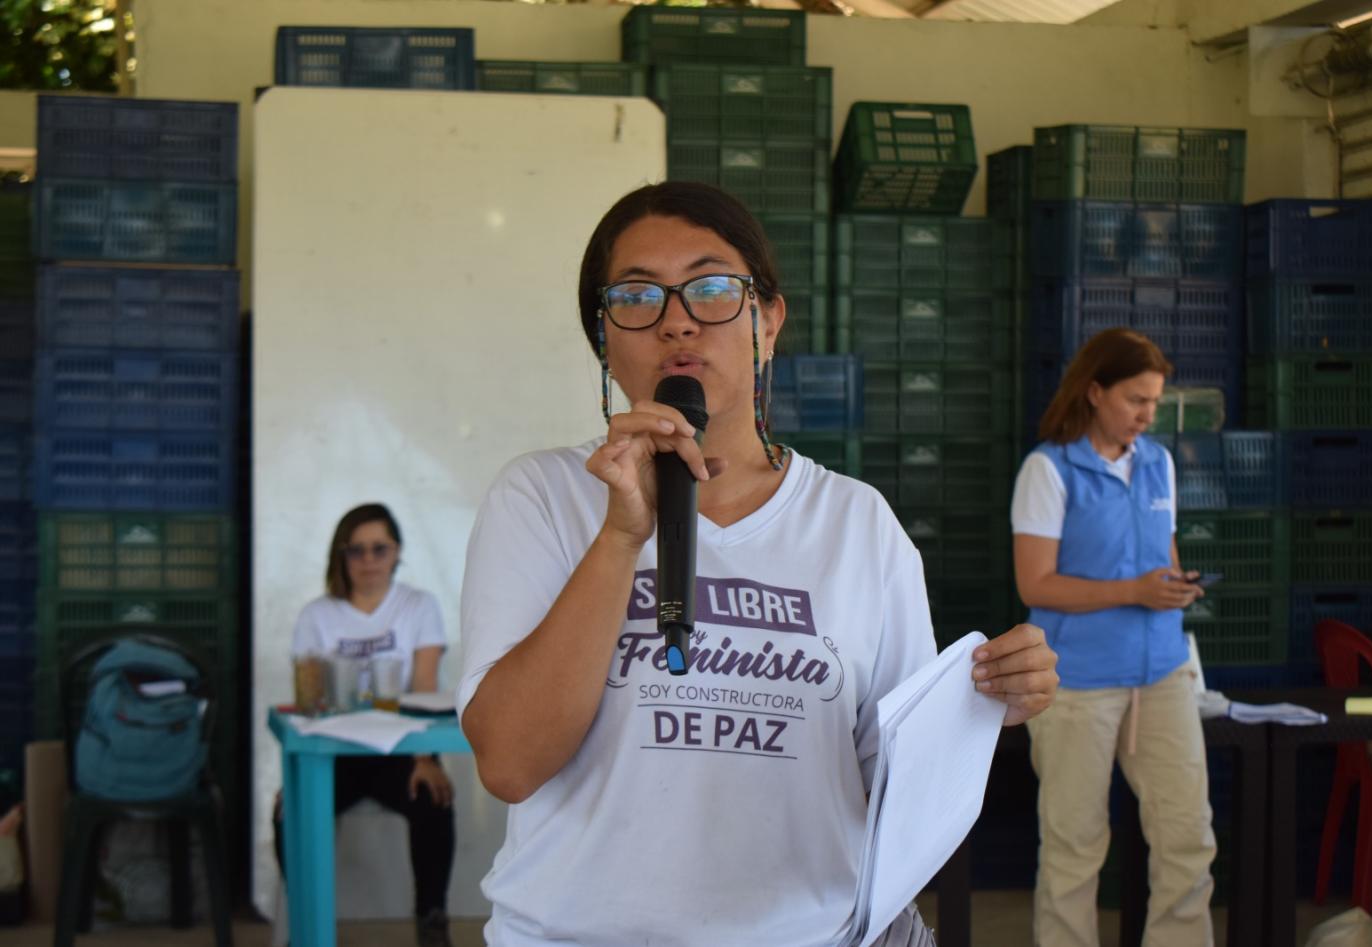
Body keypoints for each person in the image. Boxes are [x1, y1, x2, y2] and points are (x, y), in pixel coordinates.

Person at [456, 180, 1060, 947]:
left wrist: (980, 708)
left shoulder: (857, 524)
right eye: (637, 296)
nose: (677, 319)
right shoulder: (542, 497)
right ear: (604, 338)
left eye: (712, 288)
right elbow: (510, 762)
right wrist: (620, 537)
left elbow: (892, 781)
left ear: (767, 322)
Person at [1011, 329, 1216, 946]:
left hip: (1164, 674)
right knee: (1074, 846)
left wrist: (1175, 586)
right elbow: (1035, 583)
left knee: (1188, 837)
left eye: (1154, 401)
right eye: (1136, 399)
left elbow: (1163, 555)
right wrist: (1134, 591)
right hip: (1077, 685)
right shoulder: (1047, 469)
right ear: (1095, 391)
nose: (1147, 415)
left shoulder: (1159, 463)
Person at [274, 503, 456, 947]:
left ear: (397, 552)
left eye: (380, 548)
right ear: (341, 555)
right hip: (334, 754)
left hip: (399, 750)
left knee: (434, 801)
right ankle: (306, 923)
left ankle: (432, 924)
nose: (369, 559)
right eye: (357, 550)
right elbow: (309, 702)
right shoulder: (317, 615)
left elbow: (426, 689)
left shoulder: (418, 606)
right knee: (288, 812)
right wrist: (294, 778)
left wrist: (426, 759)